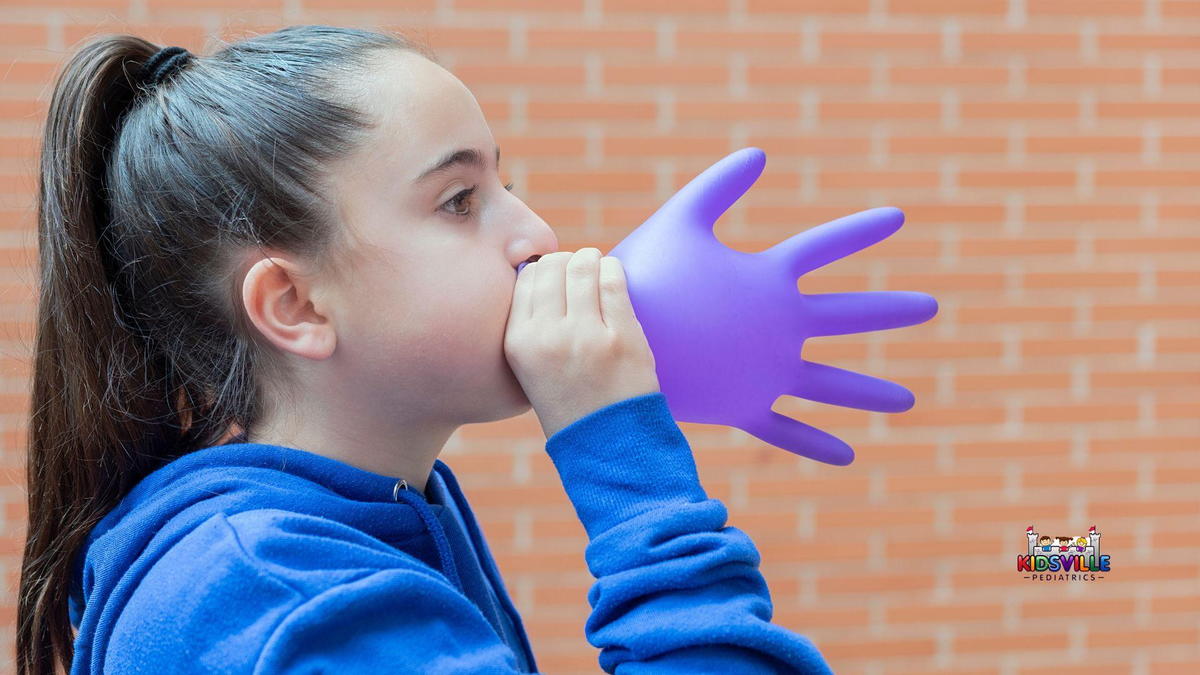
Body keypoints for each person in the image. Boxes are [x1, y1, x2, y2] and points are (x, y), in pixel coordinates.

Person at [17, 25, 833, 675]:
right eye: (459, 200)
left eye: (503, 187)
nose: (537, 234)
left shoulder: (352, 526)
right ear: (296, 305)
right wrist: (629, 464)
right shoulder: (283, 597)